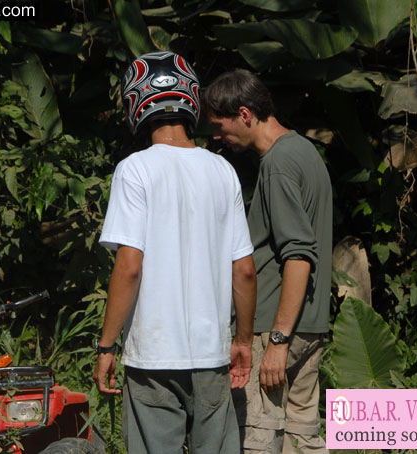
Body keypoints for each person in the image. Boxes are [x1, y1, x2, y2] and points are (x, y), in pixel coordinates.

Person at [92, 51, 257, 454]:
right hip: (211, 355)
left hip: (152, 359)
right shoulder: (222, 171)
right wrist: (244, 341)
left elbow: (129, 267)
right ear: (191, 100)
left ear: (136, 102)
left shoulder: (134, 170)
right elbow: (245, 271)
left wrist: (107, 346)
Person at [203, 69, 332, 454]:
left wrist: (276, 340)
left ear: (245, 114)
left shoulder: (278, 163)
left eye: (219, 125)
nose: (216, 136)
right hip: (309, 325)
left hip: (274, 326)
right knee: (302, 437)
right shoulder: (304, 151)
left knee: (259, 438)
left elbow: (298, 254)